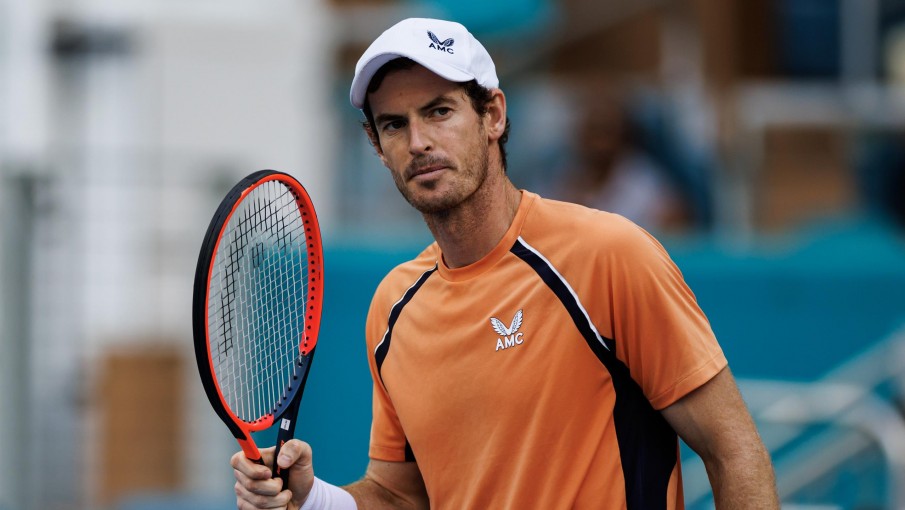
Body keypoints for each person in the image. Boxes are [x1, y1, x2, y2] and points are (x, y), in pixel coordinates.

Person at [232, 17, 778, 510]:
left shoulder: (610, 255)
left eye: (439, 111)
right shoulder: (392, 307)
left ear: (492, 115)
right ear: (377, 146)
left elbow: (733, 450)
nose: (418, 142)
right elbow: (398, 496)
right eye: (394, 125)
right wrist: (312, 498)